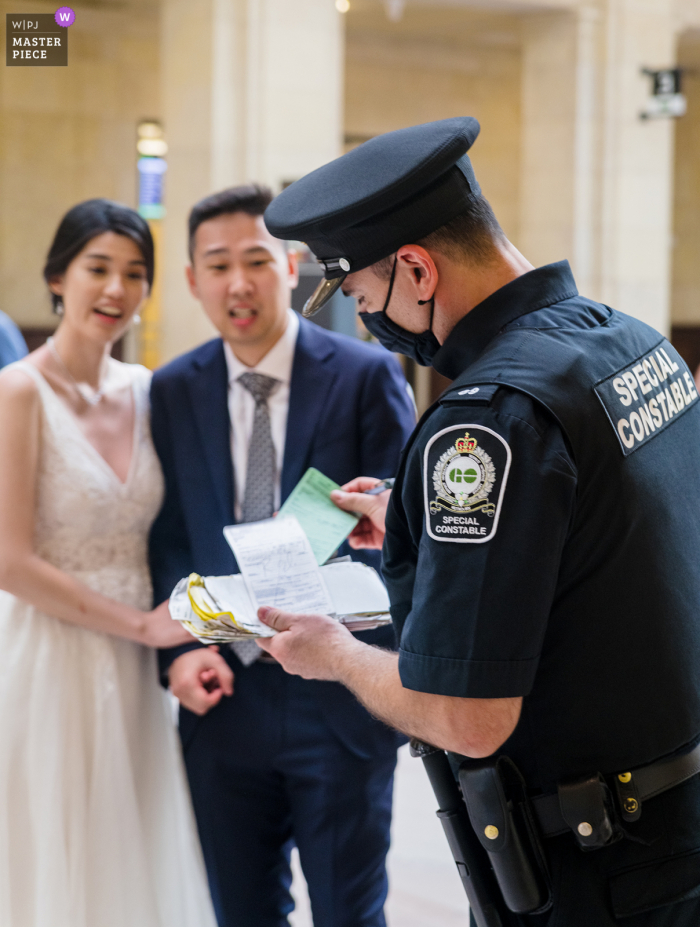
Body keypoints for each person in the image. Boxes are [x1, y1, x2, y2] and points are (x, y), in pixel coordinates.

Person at [255, 117, 700, 926]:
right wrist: (419, 524)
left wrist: (338, 655)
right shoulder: (633, 343)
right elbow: (609, 544)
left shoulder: (487, 420)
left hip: (599, 874)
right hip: (675, 827)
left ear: (417, 270)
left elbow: (468, 713)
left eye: (361, 295)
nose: (365, 324)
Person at [148, 184, 416, 927]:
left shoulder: (367, 376)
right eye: (219, 264)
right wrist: (174, 654)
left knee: (349, 912)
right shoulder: (172, 390)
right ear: (194, 281)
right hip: (223, 694)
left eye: (257, 260)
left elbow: (407, 533)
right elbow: (167, 533)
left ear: (291, 266)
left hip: (340, 689)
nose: (240, 282)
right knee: (241, 911)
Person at [0, 199, 216, 927]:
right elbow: (8, 558)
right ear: (58, 275)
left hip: (132, 663)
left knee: (132, 849)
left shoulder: (150, 389)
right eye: (98, 268)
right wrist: (142, 625)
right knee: (54, 851)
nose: (116, 289)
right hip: (47, 657)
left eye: (134, 273)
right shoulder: (18, 391)